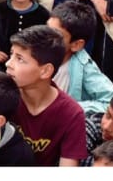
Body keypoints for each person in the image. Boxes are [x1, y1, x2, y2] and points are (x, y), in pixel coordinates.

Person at [8, 27, 87, 166]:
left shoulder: (72, 114)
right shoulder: (2, 92)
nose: (8, 63)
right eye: (11, 55)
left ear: (45, 71)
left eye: (19, 59)